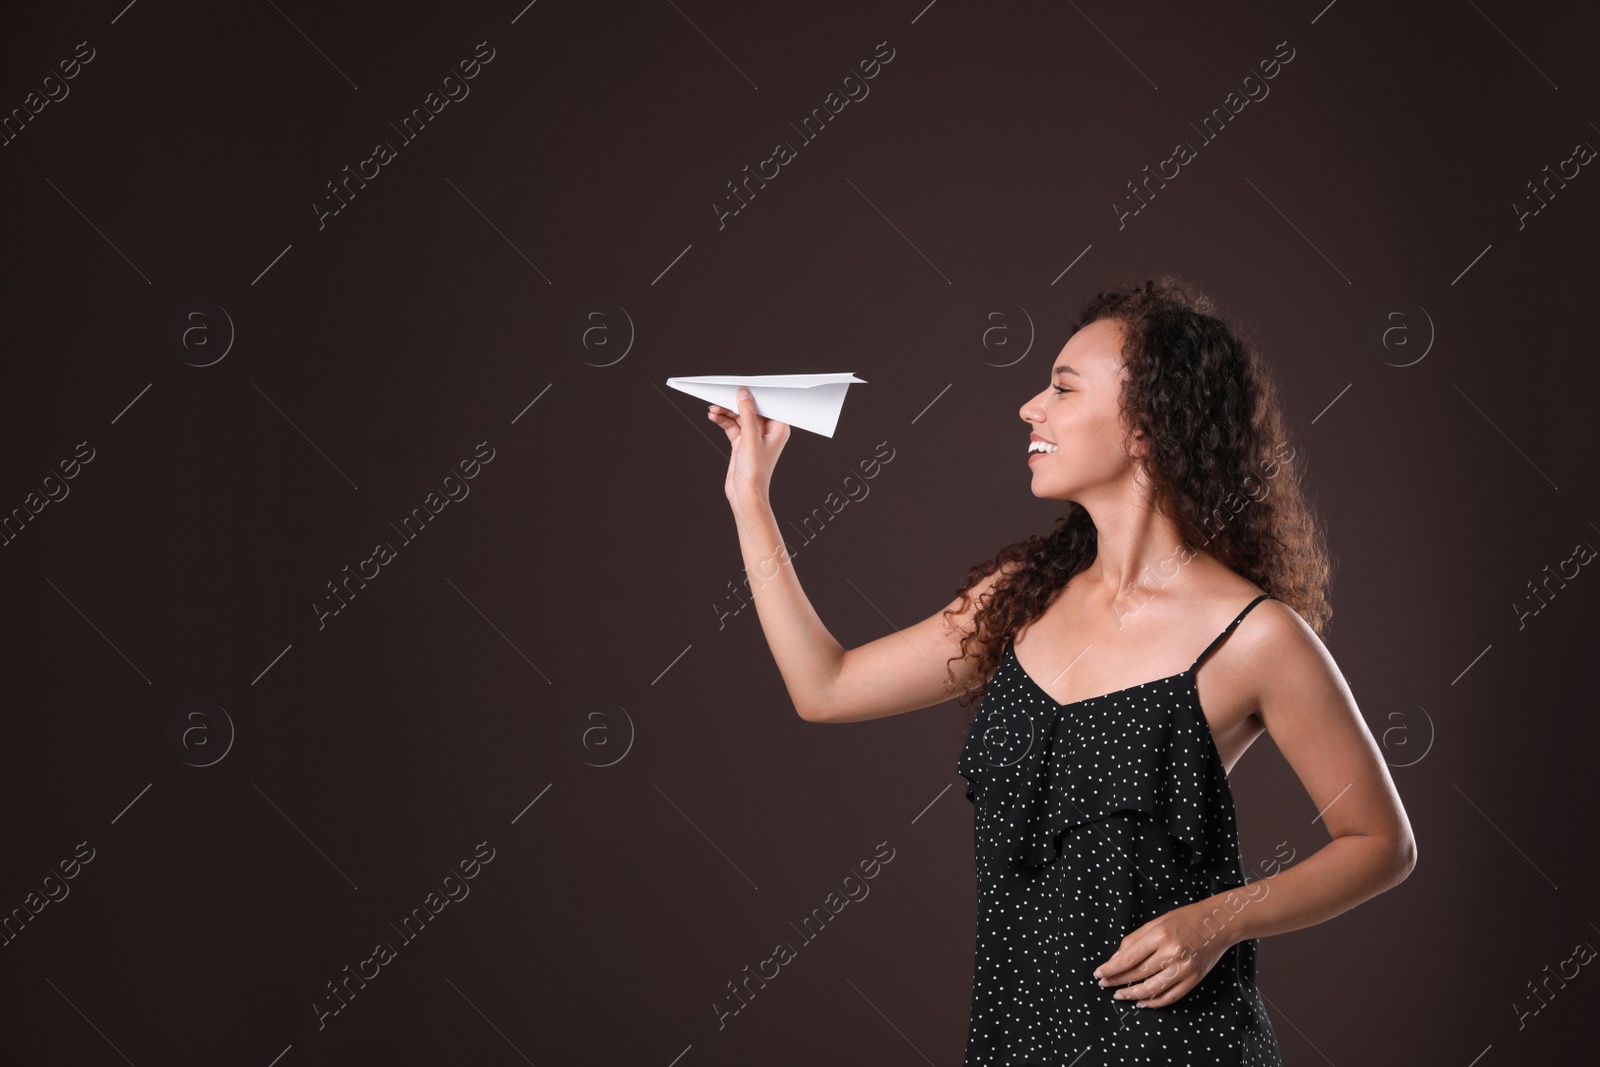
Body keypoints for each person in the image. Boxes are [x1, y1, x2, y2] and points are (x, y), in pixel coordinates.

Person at [707, 275, 1416, 1065]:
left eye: (1062, 387)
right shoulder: (1022, 598)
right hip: (1018, 1043)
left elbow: (1380, 841)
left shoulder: (1254, 636)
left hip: (1178, 1046)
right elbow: (825, 687)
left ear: (1149, 424)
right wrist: (751, 497)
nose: (1029, 407)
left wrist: (1217, 919)